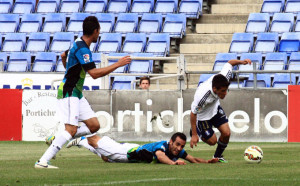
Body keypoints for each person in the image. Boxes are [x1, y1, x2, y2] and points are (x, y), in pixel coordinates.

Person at [34, 16, 132, 169]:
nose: (98, 35)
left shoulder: (77, 43)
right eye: (98, 32)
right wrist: (118, 64)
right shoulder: (83, 49)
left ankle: (59, 137)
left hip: (76, 93)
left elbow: (63, 55)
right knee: (71, 130)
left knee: (94, 125)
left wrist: (69, 71)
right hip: (70, 92)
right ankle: (42, 161)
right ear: (95, 31)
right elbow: (94, 74)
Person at [190, 59, 251, 163]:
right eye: (223, 91)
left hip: (215, 108)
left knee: (226, 133)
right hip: (202, 116)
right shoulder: (202, 97)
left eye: (226, 90)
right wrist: (194, 135)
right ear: (215, 89)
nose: (225, 93)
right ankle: (196, 131)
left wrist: (241, 62)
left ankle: (217, 157)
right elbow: (193, 114)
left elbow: (230, 63)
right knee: (213, 141)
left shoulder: (224, 78)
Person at [66, 132, 218, 165]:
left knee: (106, 157)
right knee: (97, 141)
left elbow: (193, 159)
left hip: (133, 149)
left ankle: (81, 141)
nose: (179, 149)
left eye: (181, 146)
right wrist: (173, 163)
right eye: (177, 144)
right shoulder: (163, 146)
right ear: (171, 142)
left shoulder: (177, 150)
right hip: (127, 153)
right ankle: (80, 134)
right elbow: (159, 155)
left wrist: (206, 162)